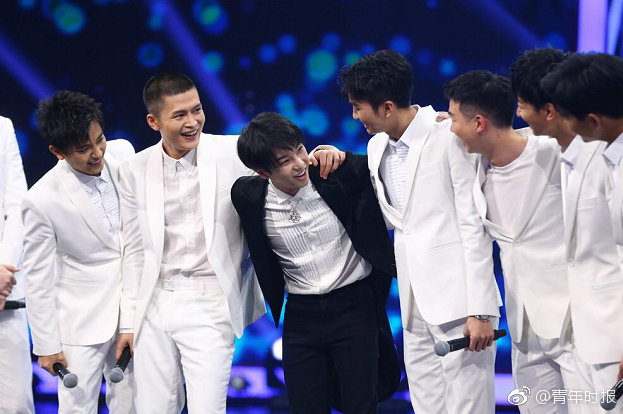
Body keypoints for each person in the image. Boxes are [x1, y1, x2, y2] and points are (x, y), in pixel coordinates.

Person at [337, 49, 501, 414]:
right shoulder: (376, 145)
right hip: (413, 306)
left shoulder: (449, 135)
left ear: (387, 107)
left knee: (469, 407)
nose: (355, 116)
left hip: (460, 304)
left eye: (358, 107)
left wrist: (481, 309)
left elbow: (473, 224)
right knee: (425, 406)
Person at [445, 69, 597, 412]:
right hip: (523, 328)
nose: (450, 128)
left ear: (479, 123)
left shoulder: (554, 151)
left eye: (454, 118)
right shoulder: (473, 169)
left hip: (576, 322)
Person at [116, 72, 266, 414]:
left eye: (196, 110)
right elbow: (134, 251)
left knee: (207, 408)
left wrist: (323, 154)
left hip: (211, 299)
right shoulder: (134, 169)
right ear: (154, 121)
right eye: (179, 115)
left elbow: (288, 162)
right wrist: (128, 322)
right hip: (154, 303)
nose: (192, 122)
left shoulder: (234, 151)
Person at [231, 112, 400, 414]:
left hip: (354, 308)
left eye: (299, 149)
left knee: (361, 407)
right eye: (285, 160)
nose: (299, 163)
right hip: (301, 316)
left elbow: (386, 162)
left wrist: (339, 154)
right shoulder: (247, 196)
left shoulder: (334, 175)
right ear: (262, 172)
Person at [21, 90, 136, 413]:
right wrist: (46, 345)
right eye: (84, 149)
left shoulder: (124, 153)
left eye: (100, 140)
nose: (97, 153)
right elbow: (38, 278)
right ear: (57, 151)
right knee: (77, 408)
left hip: (133, 310)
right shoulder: (40, 200)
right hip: (81, 320)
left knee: (133, 405)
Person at [541, 52, 623, 405]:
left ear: (593, 120)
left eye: (568, 117)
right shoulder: (609, 153)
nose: (566, 126)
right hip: (599, 333)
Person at [0, 115, 34, 414]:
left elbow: (18, 205)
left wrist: (4, 267)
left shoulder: (2, 127)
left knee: (16, 403)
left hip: (5, 289)